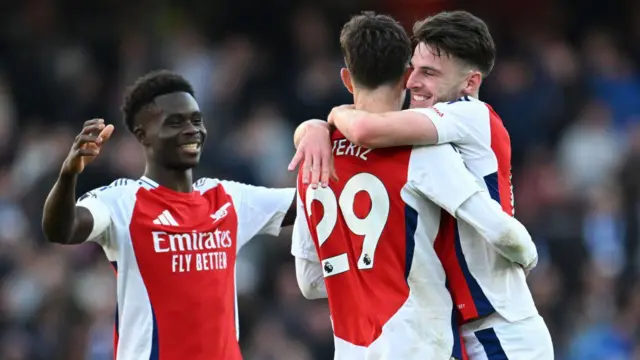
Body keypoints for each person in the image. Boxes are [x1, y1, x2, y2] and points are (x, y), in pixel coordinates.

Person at [291, 10, 554, 360]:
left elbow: (366, 130)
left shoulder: (469, 116)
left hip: (500, 328)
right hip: (455, 331)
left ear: (470, 84)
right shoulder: (418, 141)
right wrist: (314, 128)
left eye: (428, 73)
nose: (414, 81)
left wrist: (326, 121)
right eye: (413, 69)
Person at [41, 70, 296, 360]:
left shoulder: (227, 198)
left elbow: (312, 204)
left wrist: (319, 132)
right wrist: (67, 176)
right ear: (143, 134)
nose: (191, 130)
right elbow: (61, 229)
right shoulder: (122, 202)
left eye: (196, 120)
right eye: (175, 122)